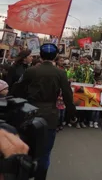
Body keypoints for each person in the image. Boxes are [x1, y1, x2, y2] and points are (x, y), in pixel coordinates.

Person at [10, 43, 77, 180]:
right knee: (45, 153)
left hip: (29, 113)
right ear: (55, 56)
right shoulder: (60, 73)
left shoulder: (31, 71)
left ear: (40, 55)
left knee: (27, 149)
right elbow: (68, 96)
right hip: (50, 117)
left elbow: (16, 90)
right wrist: (72, 115)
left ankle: (24, 174)